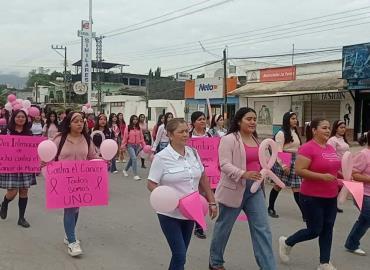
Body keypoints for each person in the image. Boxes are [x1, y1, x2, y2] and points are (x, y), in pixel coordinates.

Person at [209, 107, 277, 270]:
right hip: (234, 188)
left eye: (254, 119)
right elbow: (224, 164)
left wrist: (275, 166)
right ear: (239, 121)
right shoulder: (229, 139)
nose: (253, 122)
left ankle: (268, 267)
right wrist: (243, 174)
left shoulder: (257, 140)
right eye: (249, 119)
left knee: (263, 229)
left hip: (255, 190)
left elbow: (265, 160)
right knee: (224, 227)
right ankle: (215, 261)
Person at [147, 118, 217, 270]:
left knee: (181, 254)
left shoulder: (193, 153)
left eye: (187, 131)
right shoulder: (161, 157)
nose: (186, 134)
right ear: (170, 135)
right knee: (179, 254)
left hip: (190, 211)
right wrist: (169, 198)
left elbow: (203, 178)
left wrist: (212, 201)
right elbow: (151, 183)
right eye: (181, 132)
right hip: (169, 214)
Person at [279, 118, 341, 270]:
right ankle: (287, 242)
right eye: (324, 127)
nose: (327, 130)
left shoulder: (330, 148)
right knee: (314, 230)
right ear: (314, 130)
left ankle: (324, 263)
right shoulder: (307, 148)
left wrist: (345, 175)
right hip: (312, 197)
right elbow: (300, 171)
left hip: (331, 196)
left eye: (328, 128)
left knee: (328, 228)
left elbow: (334, 169)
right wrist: (322, 177)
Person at [52, 112, 97, 257]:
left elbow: (92, 157)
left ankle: (68, 234)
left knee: (76, 208)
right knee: (70, 208)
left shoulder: (87, 139)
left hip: (82, 180)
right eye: (75, 121)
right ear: (69, 123)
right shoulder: (59, 139)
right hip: (63, 179)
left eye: (81, 121)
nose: (79, 124)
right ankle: (72, 242)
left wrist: (102, 161)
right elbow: (50, 155)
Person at [0, 110, 36, 228]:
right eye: (18, 117)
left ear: (26, 119)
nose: (21, 119)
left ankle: (21, 218)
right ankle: (5, 203)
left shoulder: (29, 133)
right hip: (11, 166)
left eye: (23, 117)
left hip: (25, 166)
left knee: (24, 191)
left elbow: (34, 150)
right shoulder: (7, 131)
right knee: (12, 192)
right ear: (14, 118)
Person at [268, 112, 304, 220]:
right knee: (278, 185)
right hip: (284, 159)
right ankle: (270, 208)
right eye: (293, 118)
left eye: (296, 118)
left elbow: (298, 147)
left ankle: (305, 213)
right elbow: (278, 150)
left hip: (295, 160)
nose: (295, 120)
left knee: (297, 187)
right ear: (287, 119)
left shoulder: (294, 132)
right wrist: (284, 165)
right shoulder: (281, 133)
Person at [344, 132, 370, 256]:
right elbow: (354, 174)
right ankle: (352, 243)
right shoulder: (363, 155)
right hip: (364, 194)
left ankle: (352, 243)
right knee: (366, 219)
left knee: (365, 221)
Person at [189, 111, 212, 239]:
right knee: (196, 198)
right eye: (199, 119)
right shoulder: (188, 137)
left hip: (208, 172)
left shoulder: (210, 135)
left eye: (204, 119)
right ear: (193, 122)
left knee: (205, 198)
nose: (203, 121)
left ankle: (197, 221)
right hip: (193, 172)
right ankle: (198, 226)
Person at [327, 120, 350, 213]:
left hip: (344, 166)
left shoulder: (343, 139)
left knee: (341, 185)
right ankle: (330, 205)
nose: (343, 129)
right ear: (336, 128)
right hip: (336, 166)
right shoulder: (332, 140)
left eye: (344, 127)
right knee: (335, 186)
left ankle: (333, 204)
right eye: (341, 127)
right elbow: (331, 154)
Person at [121, 115, 146, 180]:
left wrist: (144, 146)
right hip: (130, 145)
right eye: (134, 119)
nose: (135, 120)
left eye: (136, 119)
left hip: (137, 146)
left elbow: (142, 138)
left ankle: (125, 170)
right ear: (131, 120)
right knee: (134, 158)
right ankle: (135, 175)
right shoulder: (128, 127)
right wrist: (123, 146)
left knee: (132, 159)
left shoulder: (139, 128)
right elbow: (125, 137)